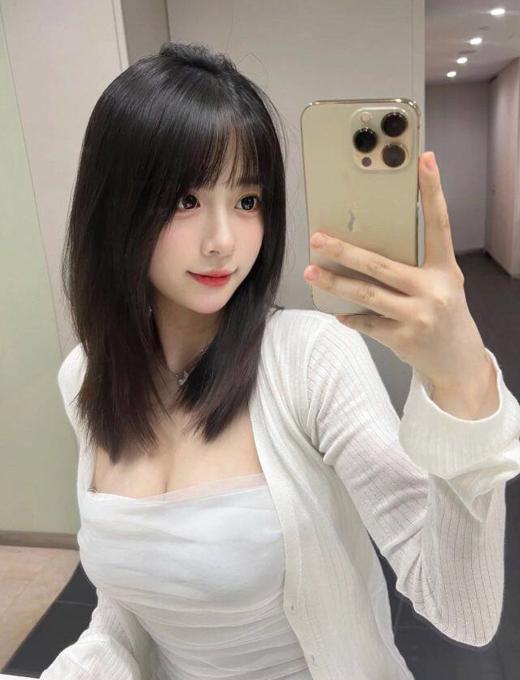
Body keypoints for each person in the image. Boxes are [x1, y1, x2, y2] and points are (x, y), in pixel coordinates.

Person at [42, 42, 520, 680]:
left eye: (248, 201)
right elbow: (129, 608)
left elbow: (463, 610)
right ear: (113, 206)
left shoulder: (309, 361)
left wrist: (462, 384)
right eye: (184, 200)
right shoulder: (85, 377)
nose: (223, 242)